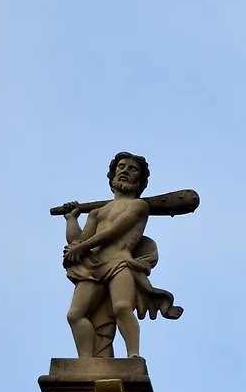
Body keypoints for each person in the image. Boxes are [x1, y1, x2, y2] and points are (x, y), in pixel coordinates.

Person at [59, 152, 182, 358]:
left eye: (132, 169)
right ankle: (88, 362)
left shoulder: (139, 206)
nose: (125, 171)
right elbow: (77, 242)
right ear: (113, 175)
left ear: (140, 181)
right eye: (121, 167)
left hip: (120, 263)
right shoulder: (96, 213)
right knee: (75, 315)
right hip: (94, 266)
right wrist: (71, 219)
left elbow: (113, 231)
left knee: (123, 307)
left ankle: (133, 355)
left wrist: (81, 247)